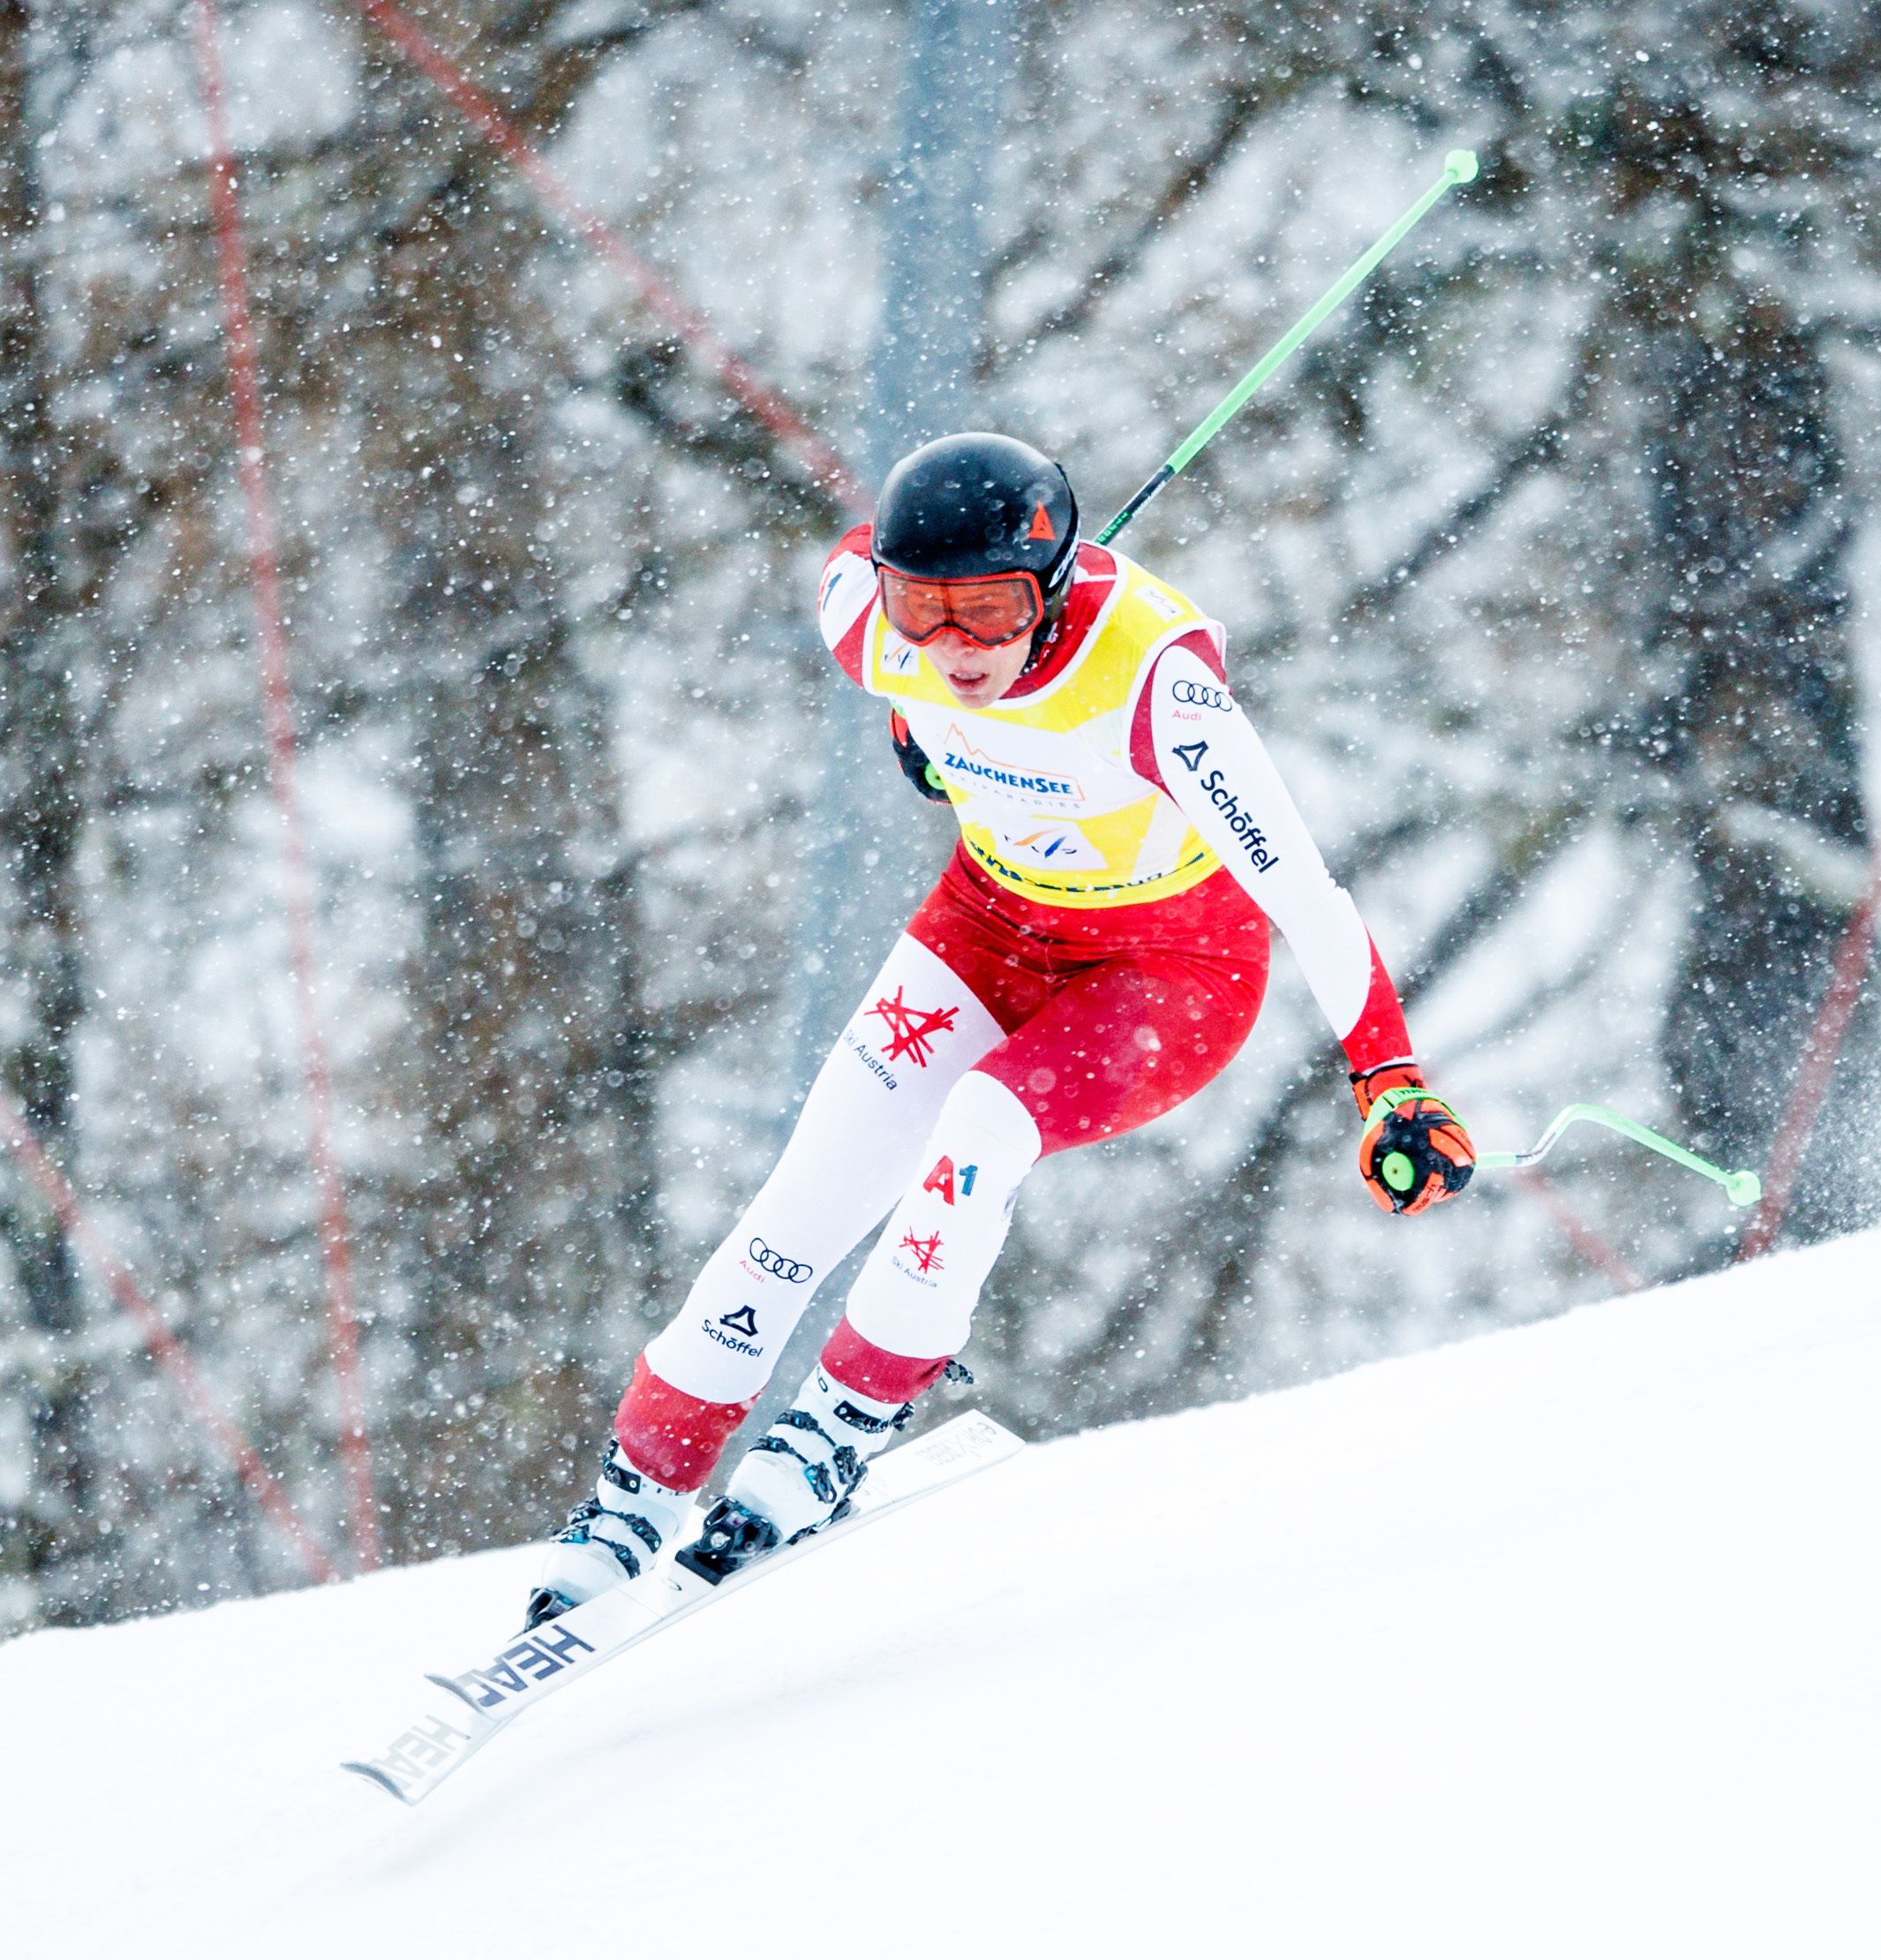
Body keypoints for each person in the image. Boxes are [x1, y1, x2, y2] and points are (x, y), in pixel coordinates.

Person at [524, 432, 1477, 1624]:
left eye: (988, 612)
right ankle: (636, 1491)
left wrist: (1387, 1078)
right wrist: (917, 726)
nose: (951, 646)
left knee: (978, 1127)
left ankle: (842, 1422)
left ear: (1054, 587)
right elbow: (902, 665)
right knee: (805, 1201)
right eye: (925, 609)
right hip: (986, 930)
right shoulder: (864, 618)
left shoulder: (1156, 686)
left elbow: (1307, 900)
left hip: (1163, 973)